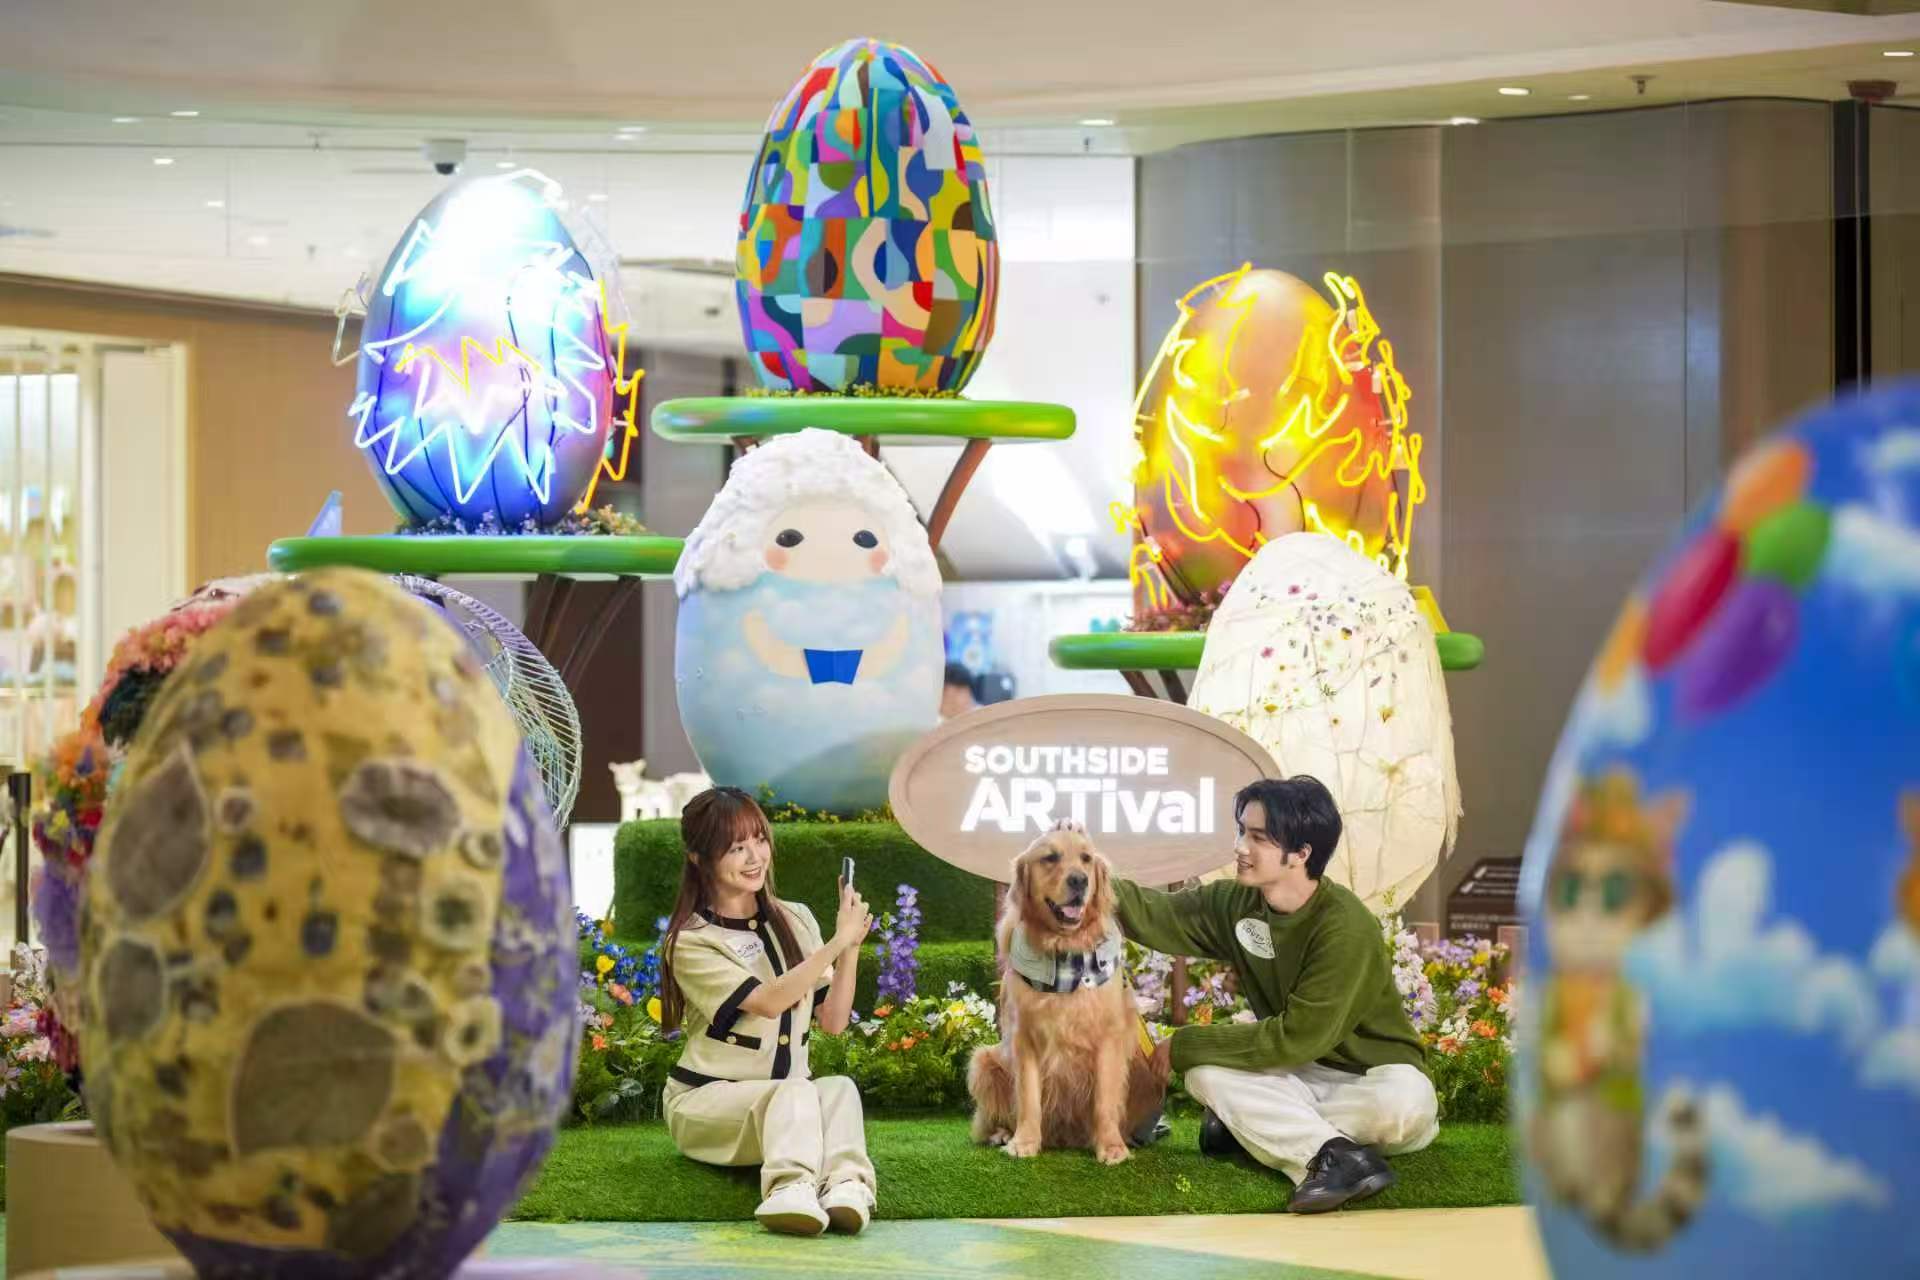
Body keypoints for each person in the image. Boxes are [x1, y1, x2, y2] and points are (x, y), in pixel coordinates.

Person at [1114, 776, 1438, 1213]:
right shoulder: (1236, 903)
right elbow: (1159, 915)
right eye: (1241, 832)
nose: (1240, 847)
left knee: (1403, 1108)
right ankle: (1334, 1157)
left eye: (1258, 838)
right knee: (1206, 1074)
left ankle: (1259, 1132)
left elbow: (1297, 1037)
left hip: (1373, 1077)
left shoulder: (1345, 926)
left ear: (1301, 853)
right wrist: (1086, 877)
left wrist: (1184, 1043)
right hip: (1296, 1076)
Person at [660, 786, 878, 1236]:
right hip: (706, 1104)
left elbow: (833, 1022)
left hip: (786, 1103)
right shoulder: (692, 940)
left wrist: (851, 947)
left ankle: (847, 1186)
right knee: (795, 1092)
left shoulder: (795, 919)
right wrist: (836, 942)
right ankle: (790, 1188)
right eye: (736, 847)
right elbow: (768, 1001)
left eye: (759, 840)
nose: (754, 856)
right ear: (699, 859)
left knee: (838, 1089)